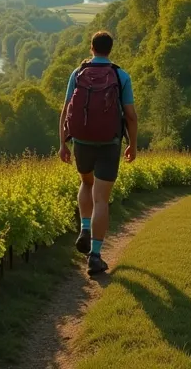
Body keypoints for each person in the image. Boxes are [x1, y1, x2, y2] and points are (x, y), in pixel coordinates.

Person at [59, 30, 137, 275]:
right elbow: (131, 116)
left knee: (86, 182)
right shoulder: (120, 75)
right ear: (110, 50)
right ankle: (95, 256)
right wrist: (133, 144)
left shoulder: (78, 73)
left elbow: (65, 111)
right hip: (109, 143)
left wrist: (63, 143)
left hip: (81, 141)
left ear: (91, 48)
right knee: (101, 198)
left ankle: (84, 227)